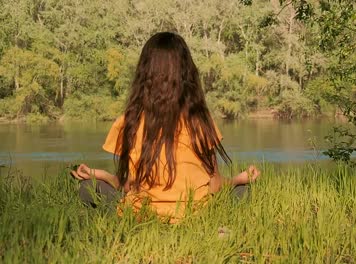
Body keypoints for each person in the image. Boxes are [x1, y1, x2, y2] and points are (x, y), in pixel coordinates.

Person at [71, 32, 260, 222]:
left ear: (144, 73)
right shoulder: (199, 120)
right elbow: (215, 185)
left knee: (88, 188)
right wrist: (238, 180)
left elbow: (129, 186)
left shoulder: (130, 121)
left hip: (141, 216)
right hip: (193, 217)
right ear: (187, 74)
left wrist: (100, 176)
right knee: (242, 192)